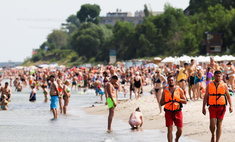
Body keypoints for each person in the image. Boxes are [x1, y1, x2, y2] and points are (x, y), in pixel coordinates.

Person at [202, 70, 233, 142]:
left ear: (221, 77)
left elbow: (228, 95)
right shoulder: (209, 85)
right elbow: (206, 96)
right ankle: (213, 134)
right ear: (214, 76)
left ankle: (217, 141)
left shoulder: (224, 85)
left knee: (219, 124)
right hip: (212, 107)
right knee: (212, 124)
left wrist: (231, 106)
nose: (218, 77)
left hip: (221, 107)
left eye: (219, 76)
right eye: (216, 76)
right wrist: (203, 107)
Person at [160, 75, 187, 142]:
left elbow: (185, 101)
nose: (171, 82)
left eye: (172, 80)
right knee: (169, 129)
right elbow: (161, 103)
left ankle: (176, 139)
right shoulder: (165, 91)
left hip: (177, 111)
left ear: (174, 81)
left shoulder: (179, 89)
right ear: (168, 82)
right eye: (169, 81)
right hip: (168, 111)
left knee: (180, 130)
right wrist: (167, 100)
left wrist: (178, 99)